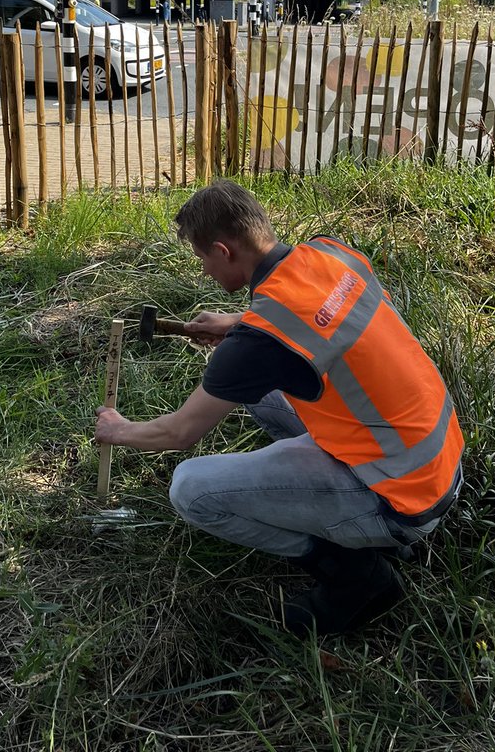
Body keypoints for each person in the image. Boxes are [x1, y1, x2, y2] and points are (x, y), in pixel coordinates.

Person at [94, 180, 464, 637]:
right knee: (258, 389)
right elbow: (322, 315)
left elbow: (178, 433)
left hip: (401, 501)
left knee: (191, 489)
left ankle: (356, 577)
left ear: (223, 250)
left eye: (203, 260)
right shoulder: (330, 254)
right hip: (438, 461)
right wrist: (236, 324)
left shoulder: (261, 344)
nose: (204, 271)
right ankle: (355, 519)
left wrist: (117, 429)